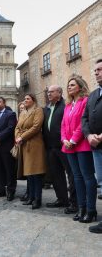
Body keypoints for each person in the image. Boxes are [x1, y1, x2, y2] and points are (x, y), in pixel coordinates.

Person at [61, 75, 97, 223]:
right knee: (76, 177)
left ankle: (90, 210)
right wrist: (64, 139)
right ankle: (81, 208)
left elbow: (83, 123)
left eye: (73, 85)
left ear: (80, 87)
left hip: (82, 145)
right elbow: (63, 125)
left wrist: (73, 140)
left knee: (87, 177)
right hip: (68, 146)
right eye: (68, 85)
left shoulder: (85, 101)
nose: (69, 87)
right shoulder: (68, 105)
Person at [43, 85, 77, 213]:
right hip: (50, 147)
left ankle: (74, 202)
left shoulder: (65, 106)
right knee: (56, 174)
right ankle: (62, 199)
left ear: (59, 93)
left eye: (52, 92)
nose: (49, 94)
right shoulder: (46, 108)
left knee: (71, 174)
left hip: (64, 146)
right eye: (48, 92)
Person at [15, 94, 46, 209]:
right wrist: (18, 137)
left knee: (36, 173)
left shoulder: (38, 110)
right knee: (29, 174)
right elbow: (17, 127)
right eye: (25, 99)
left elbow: (36, 127)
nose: (25, 100)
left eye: (28, 99)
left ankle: (37, 199)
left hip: (34, 145)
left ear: (33, 100)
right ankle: (31, 197)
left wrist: (22, 137)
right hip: (24, 145)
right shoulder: (23, 112)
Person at [82, 59, 102, 233]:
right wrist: (88, 135)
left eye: (100, 70)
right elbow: (85, 119)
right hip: (96, 147)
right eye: (95, 70)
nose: (96, 73)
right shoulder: (94, 95)